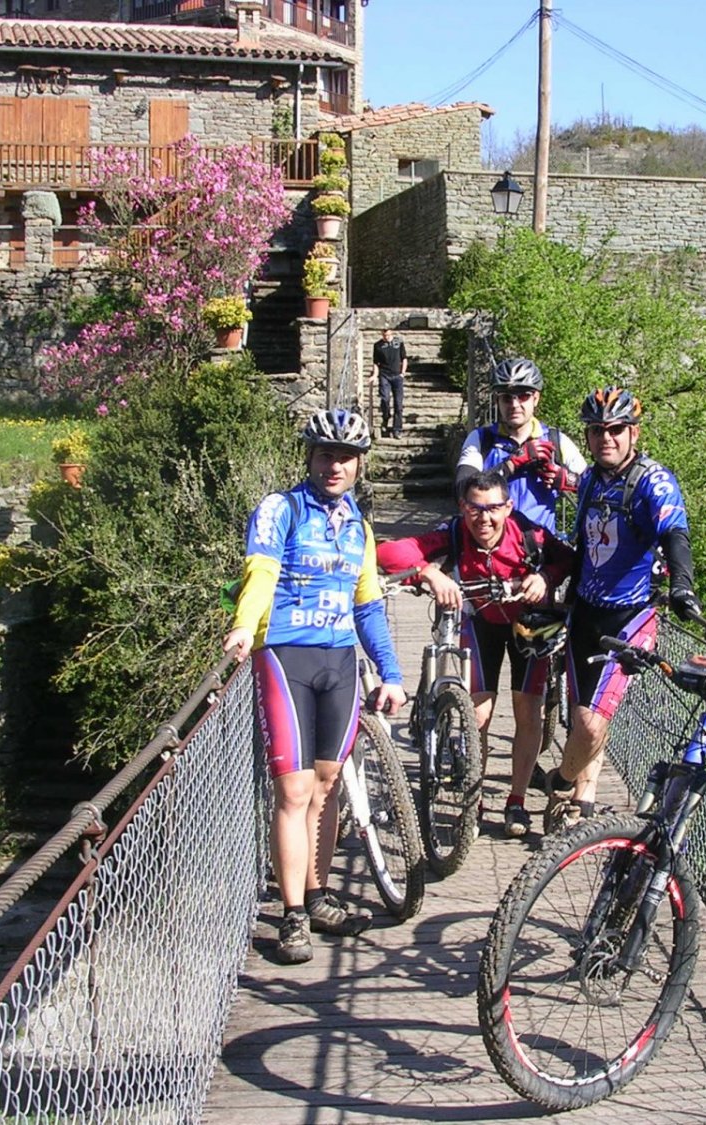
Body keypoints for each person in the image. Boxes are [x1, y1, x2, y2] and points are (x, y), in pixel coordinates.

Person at [222, 407, 407, 965]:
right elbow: (262, 574)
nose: (336, 465)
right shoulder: (281, 509)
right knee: (294, 792)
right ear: (310, 456)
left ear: (359, 466)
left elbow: (369, 605)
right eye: (326, 454)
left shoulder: (359, 525)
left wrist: (393, 673)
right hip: (286, 656)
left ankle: (319, 894)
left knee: (326, 787)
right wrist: (241, 628)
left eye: (347, 457)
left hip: (340, 662)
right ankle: (292, 914)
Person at [377, 470, 576, 838]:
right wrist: (428, 573)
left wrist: (544, 577)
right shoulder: (454, 533)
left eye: (493, 509)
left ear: (508, 507)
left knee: (527, 711)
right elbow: (388, 552)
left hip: (528, 625)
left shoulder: (531, 535)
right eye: (475, 509)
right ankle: (475, 797)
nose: (484, 518)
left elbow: (569, 560)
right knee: (478, 714)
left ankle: (515, 801)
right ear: (462, 508)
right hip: (480, 620)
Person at [545, 386, 704, 833]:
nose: (605, 439)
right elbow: (583, 546)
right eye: (596, 431)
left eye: (615, 429)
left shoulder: (653, 480)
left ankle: (561, 781)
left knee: (591, 724)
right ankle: (585, 796)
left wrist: (683, 588)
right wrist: (565, 597)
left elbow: (675, 532)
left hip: (630, 617)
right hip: (586, 612)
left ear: (633, 432)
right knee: (584, 712)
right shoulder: (593, 479)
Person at [456, 357, 586, 536]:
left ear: (536, 398)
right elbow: (462, 489)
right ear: (497, 401)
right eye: (507, 398)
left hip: (540, 550)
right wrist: (512, 463)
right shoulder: (481, 439)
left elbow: (595, 486)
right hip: (490, 549)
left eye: (523, 396)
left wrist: (566, 479)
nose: (514, 405)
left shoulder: (556, 441)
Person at [372, 326, 408, 438]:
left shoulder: (399, 342)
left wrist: (402, 373)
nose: (386, 337)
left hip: (397, 376)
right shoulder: (377, 346)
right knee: (385, 398)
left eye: (387, 335)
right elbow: (375, 363)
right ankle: (386, 416)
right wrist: (374, 375)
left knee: (398, 404)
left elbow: (404, 359)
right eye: (384, 335)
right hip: (384, 375)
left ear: (391, 332)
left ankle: (397, 429)